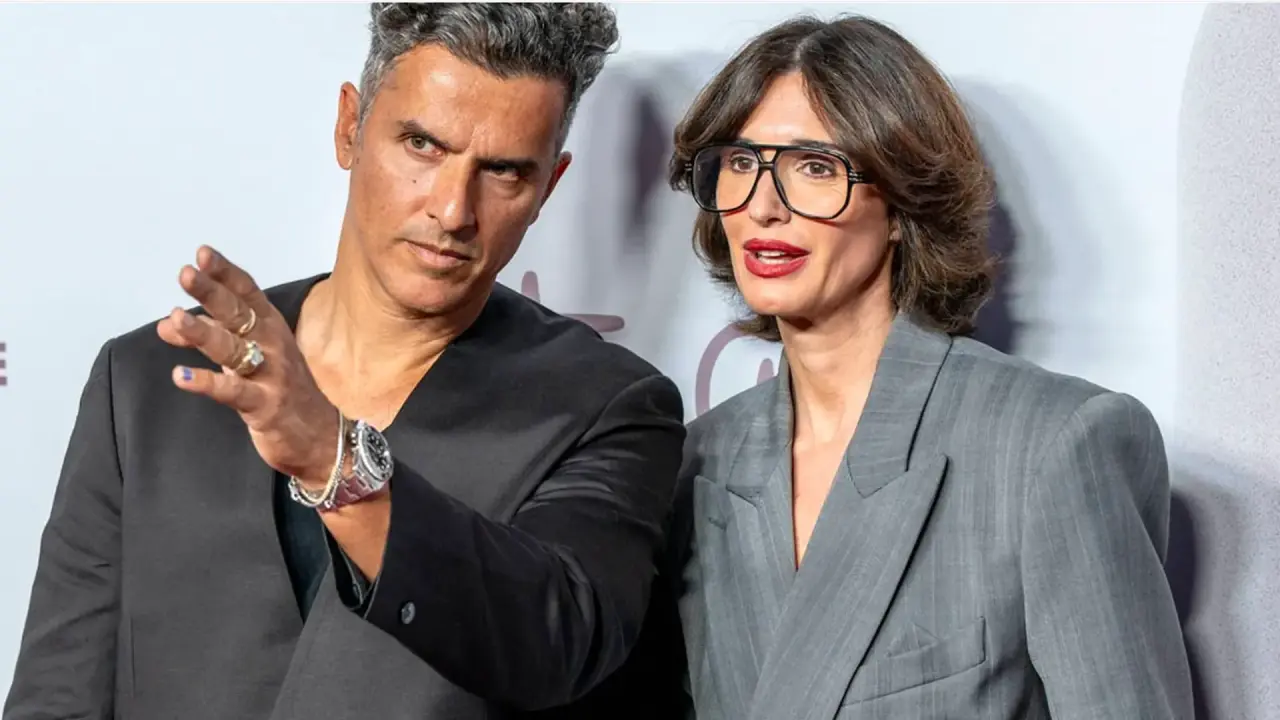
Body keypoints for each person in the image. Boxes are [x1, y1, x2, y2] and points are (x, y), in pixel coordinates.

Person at [4, 4, 689, 719]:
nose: (453, 210)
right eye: (422, 145)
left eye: (504, 172)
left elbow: (556, 642)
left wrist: (335, 464)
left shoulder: (605, 408)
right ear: (349, 127)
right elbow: (57, 697)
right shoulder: (147, 382)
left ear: (548, 186)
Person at [665, 15, 1195, 720]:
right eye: (740, 163)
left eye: (815, 168)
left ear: (899, 205)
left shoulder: (1054, 445)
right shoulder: (692, 464)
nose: (763, 207)